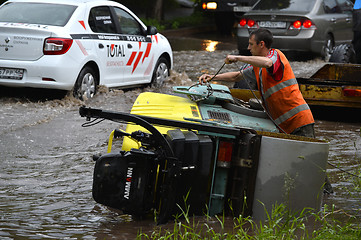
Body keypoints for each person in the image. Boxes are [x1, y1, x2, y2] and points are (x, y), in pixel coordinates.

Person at [199, 28, 315, 138]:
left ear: (261, 44)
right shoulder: (257, 67)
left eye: (251, 44)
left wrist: (238, 58)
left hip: (299, 121)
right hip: (284, 125)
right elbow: (237, 76)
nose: (248, 48)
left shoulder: (276, 56)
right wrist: (212, 77)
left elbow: (267, 63)